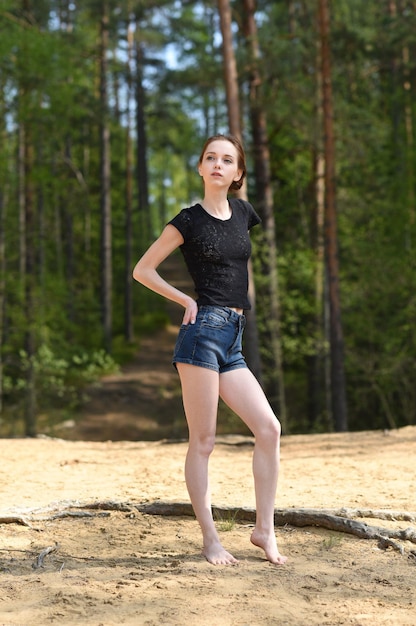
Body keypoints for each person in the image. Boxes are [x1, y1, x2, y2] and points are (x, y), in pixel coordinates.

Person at [133, 133, 287, 566]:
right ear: (200, 168)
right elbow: (142, 270)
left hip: (233, 337)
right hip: (202, 333)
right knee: (203, 441)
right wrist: (185, 299)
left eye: (227, 159)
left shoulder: (243, 213)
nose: (217, 164)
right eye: (210, 158)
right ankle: (211, 540)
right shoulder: (187, 221)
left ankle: (263, 530)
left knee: (269, 430)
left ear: (237, 173)